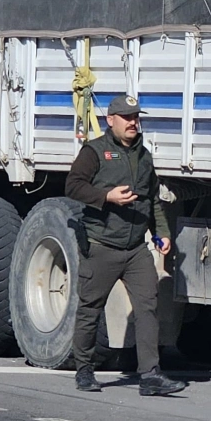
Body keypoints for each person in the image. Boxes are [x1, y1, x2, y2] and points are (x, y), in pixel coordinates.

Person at [65, 94, 186, 396]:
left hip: (135, 249)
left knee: (148, 307)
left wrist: (162, 234)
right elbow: (73, 186)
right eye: (127, 117)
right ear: (111, 120)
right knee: (91, 308)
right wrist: (107, 197)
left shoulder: (143, 155)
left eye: (136, 117)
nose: (133, 122)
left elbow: (151, 199)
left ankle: (150, 375)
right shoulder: (95, 152)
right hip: (102, 245)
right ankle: (84, 370)